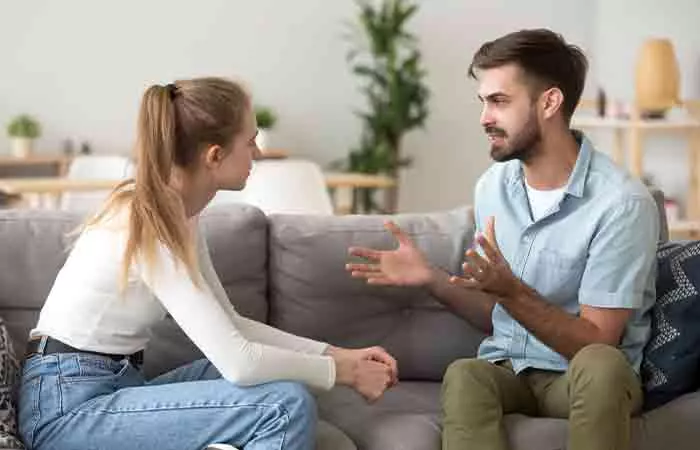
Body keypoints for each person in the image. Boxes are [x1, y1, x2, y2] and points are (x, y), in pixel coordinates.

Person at [18, 77, 398, 450]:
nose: (259, 154)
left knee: (277, 381)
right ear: (214, 156)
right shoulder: (148, 220)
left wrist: (337, 354)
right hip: (67, 408)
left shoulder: (180, 213)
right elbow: (240, 363)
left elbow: (231, 326)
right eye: (250, 143)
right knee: (284, 407)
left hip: (116, 385)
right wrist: (346, 373)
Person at [346, 29, 659, 450]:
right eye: (484, 102)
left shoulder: (621, 204)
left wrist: (511, 291)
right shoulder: (493, 187)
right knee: (466, 374)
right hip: (510, 370)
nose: (484, 118)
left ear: (549, 102)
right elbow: (497, 312)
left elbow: (597, 341)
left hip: (581, 379)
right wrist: (431, 278)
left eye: (499, 101)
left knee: (601, 365)